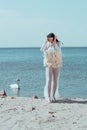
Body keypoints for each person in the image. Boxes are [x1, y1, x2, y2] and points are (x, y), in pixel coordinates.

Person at [40, 33, 63, 102]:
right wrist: (46, 42)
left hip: (56, 63)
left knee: (55, 80)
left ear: (53, 37)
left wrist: (55, 42)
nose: (50, 39)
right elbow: (42, 49)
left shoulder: (58, 43)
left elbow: (58, 50)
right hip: (48, 63)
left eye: (51, 37)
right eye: (48, 37)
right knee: (49, 80)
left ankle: (53, 96)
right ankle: (48, 96)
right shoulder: (47, 44)